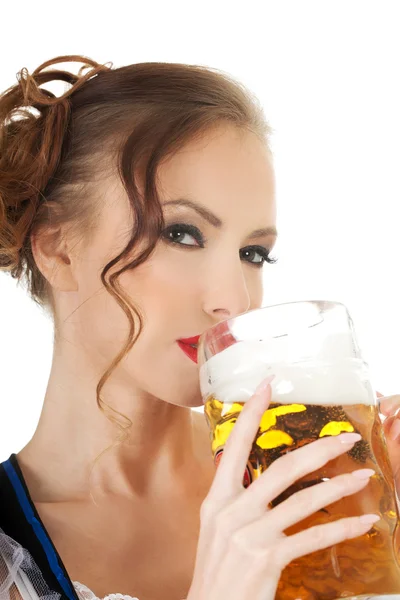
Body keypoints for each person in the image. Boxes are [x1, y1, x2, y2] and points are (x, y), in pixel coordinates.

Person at [0, 54, 399, 600]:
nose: (233, 300)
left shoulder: (322, 482)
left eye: (253, 252)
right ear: (57, 248)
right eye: (182, 234)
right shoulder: (8, 555)